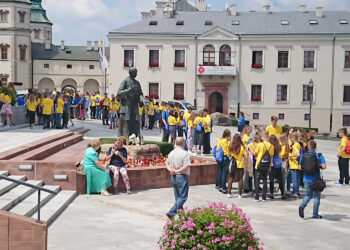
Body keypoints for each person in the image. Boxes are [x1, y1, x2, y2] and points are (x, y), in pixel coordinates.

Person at [299, 140, 327, 219]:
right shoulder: (319, 155)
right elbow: (324, 166)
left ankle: (302, 207)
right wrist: (317, 166)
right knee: (317, 197)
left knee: (308, 195)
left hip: (306, 179)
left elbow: (300, 167)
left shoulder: (303, 155)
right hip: (316, 179)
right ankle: (315, 214)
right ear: (315, 147)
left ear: (308, 147)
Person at [165, 137, 191, 219]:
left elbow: (167, 164)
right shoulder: (185, 153)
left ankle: (182, 217)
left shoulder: (171, 153)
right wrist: (176, 171)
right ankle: (171, 212)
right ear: (183, 143)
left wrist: (171, 170)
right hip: (181, 176)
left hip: (173, 176)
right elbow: (186, 166)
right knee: (183, 197)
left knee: (178, 198)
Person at [253, 131, 274, 202]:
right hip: (267, 165)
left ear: (263, 137)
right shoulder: (271, 146)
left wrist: (250, 149)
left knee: (257, 180)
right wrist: (270, 166)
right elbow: (271, 157)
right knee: (265, 180)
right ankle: (264, 197)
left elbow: (255, 154)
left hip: (259, 164)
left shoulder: (260, 145)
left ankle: (257, 197)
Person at [228, 134, 247, 198]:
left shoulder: (231, 145)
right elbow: (246, 156)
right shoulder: (242, 147)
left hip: (233, 163)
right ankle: (240, 194)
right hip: (240, 163)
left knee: (231, 178)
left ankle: (229, 193)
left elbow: (228, 155)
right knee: (240, 179)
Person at [268, 135, 286, 200]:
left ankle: (271, 193)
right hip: (278, 163)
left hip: (272, 163)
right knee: (280, 179)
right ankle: (282, 193)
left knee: (271, 179)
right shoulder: (278, 146)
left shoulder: (270, 146)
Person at [216, 129, 231, 194]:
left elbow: (217, 149)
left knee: (220, 171)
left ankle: (219, 186)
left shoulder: (220, 140)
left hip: (219, 158)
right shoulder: (228, 142)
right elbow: (228, 152)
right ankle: (224, 188)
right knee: (224, 173)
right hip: (225, 157)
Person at [287, 133, 301, 198]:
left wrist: (291, 155)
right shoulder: (297, 144)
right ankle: (296, 191)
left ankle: (296, 192)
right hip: (293, 164)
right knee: (293, 178)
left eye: (290, 138)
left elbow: (298, 154)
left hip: (294, 164)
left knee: (294, 179)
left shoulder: (295, 145)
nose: (290, 139)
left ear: (293, 138)